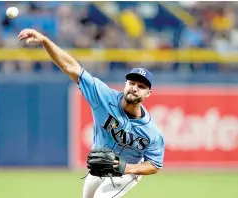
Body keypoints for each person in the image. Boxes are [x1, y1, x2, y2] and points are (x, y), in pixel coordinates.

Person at [18, 29, 165, 198]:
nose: (134, 88)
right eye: (132, 83)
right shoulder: (103, 97)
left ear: (148, 93)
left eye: (141, 86)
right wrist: (44, 41)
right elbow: (71, 67)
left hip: (128, 170)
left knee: (102, 196)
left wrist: (126, 168)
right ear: (125, 84)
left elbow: (154, 164)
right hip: (100, 164)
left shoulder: (151, 131)